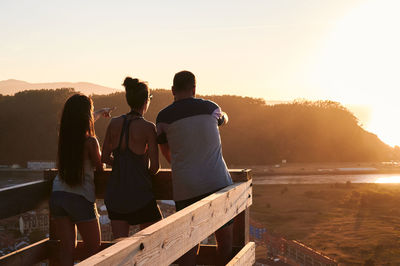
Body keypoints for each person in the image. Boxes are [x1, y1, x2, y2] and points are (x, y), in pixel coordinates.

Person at [156, 70, 233, 265]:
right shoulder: (211, 108)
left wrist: (182, 165)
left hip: (185, 187)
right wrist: (223, 115)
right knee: (224, 241)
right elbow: (223, 119)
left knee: (188, 245)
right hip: (217, 182)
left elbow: (166, 151)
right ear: (194, 89)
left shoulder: (163, 117)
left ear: (172, 90)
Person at [49, 94, 112, 266]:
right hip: (79, 197)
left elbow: (81, 123)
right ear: (86, 116)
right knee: (94, 247)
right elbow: (101, 168)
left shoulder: (65, 139)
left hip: (58, 196)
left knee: (67, 248)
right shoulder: (91, 142)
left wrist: (99, 112)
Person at [102, 77, 162, 239]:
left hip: (116, 194)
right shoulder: (148, 128)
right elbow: (155, 167)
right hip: (140, 194)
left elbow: (105, 157)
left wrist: (123, 166)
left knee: (119, 246)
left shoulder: (114, 123)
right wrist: (137, 169)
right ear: (146, 101)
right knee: (152, 242)